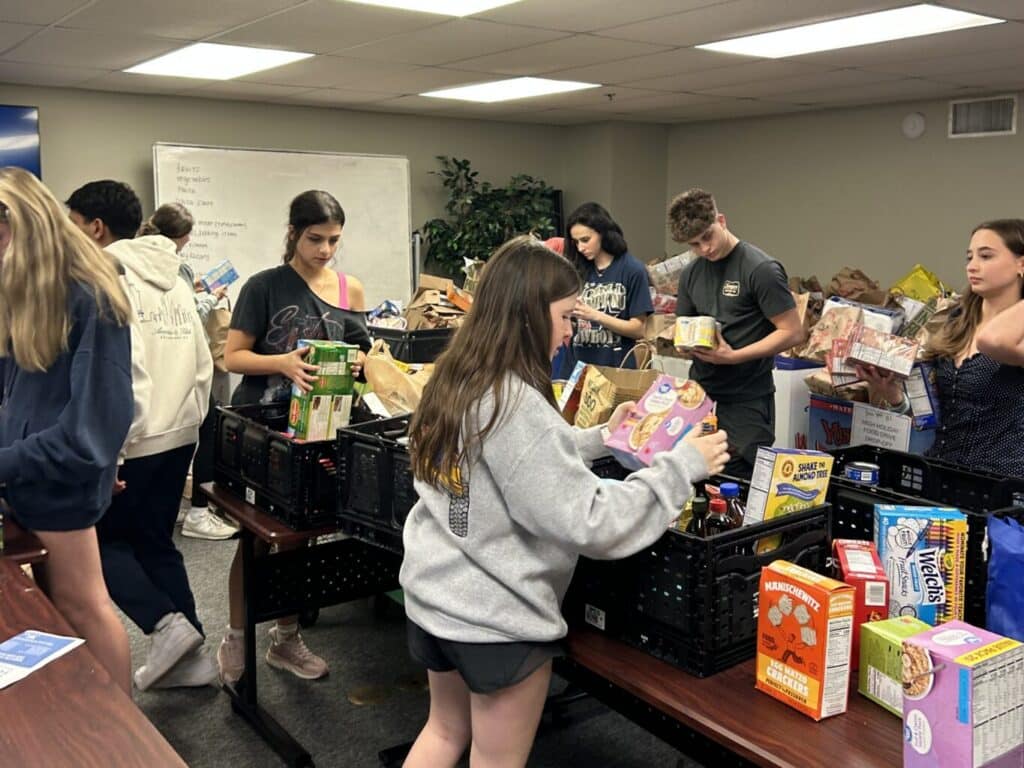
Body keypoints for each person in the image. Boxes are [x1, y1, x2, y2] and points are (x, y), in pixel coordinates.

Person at [399, 235, 729, 768]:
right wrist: (682, 468)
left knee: (443, 733)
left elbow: (504, 464)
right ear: (529, 316)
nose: (571, 331)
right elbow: (592, 521)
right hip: (495, 621)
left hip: (436, 596)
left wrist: (599, 437)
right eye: (564, 316)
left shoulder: (460, 379)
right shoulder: (515, 402)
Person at [67, 179, 216, 690]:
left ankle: (163, 622)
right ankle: (194, 659)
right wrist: (191, 421)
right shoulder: (175, 276)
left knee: (98, 543)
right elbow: (201, 360)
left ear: (95, 226)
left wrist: (115, 452)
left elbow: (124, 371)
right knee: (155, 541)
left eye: (72, 225)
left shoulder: (108, 274)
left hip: (133, 440)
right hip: (178, 432)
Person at [218, 189, 372, 684]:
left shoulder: (351, 290)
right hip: (266, 428)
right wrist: (282, 362)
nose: (325, 250)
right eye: (315, 239)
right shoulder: (264, 286)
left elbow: (363, 356)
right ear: (292, 233)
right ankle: (238, 635)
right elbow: (233, 357)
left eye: (333, 240)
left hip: (325, 427)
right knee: (257, 538)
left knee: (300, 538)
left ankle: (285, 638)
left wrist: (367, 363)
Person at [0, 167, 135, 694]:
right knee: (55, 606)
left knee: (83, 603)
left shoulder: (91, 297)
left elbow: (89, 435)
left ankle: (122, 737)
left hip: (59, 480)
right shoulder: (28, 292)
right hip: (29, 474)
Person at [857, 219, 1024, 476]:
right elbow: (932, 416)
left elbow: (993, 341)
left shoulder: (1014, 337)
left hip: (1000, 486)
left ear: (1020, 264)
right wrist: (893, 395)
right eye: (969, 257)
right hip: (939, 473)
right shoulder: (956, 320)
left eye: (986, 256)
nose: (972, 267)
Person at [668, 188, 804, 477]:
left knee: (740, 481)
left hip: (747, 399)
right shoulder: (692, 274)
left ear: (721, 220)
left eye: (708, 236)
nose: (705, 248)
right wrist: (684, 344)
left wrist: (735, 356)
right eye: (694, 244)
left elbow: (792, 332)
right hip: (701, 395)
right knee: (699, 481)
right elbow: (684, 325)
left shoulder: (760, 269)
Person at [137, 203, 239, 541]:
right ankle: (198, 511)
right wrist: (211, 297)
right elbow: (190, 313)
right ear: (182, 236)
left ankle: (183, 507)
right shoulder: (174, 265)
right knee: (205, 427)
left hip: (155, 368)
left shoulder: (138, 261)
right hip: (181, 365)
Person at [557, 202, 653, 377]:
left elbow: (639, 329)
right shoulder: (575, 270)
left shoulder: (632, 270)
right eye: (576, 242)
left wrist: (594, 315)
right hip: (576, 369)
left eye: (585, 240)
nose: (580, 248)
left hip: (616, 371)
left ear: (603, 233)